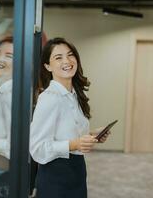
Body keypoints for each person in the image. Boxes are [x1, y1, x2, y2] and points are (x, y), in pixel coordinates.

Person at [30, 37, 110, 198]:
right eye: (58, 57)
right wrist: (74, 144)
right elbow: (37, 148)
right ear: (47, 66)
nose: (67, 61)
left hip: (77, 170)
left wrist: (93, 135)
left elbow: (68, 133)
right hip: (55, 176)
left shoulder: (76, 94)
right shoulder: (49, 98)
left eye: (70, 55)